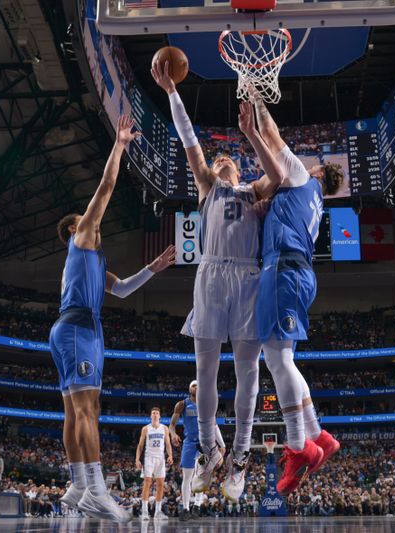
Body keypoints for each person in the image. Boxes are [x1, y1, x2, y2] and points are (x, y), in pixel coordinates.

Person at [151, 62, 285, 499]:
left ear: (239, 165)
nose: (219, 157)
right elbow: (189, 138)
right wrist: (172, 90)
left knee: (248, 370)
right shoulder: (207, 184)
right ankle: (210, 449)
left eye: (228, 156)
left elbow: (280, 175)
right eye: (217, 156)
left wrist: (251, 134)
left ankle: (241, 456)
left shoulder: (254, 191)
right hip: (210, 273)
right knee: (204, 370)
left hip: (247, 276)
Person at [49, 114, 175, 522]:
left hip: (79, 328)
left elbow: (120, 289)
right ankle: (97, 488)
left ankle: (79, 484)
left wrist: (152, 270)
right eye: (81, 218)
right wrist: (119, 145)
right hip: (77, 327)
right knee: (85, 410)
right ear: (74, 229)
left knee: (82, 409)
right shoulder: (82, 236)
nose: (90, 219)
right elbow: (105, 187)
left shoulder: (91, 263)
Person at [242, 95, 344, 496]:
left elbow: (271, 132)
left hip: (284, 271)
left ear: (317, 170)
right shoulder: (309, 199)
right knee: (285, 360)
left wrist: (254, 94)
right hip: (295, 271)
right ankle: (318, 436)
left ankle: (300, 447)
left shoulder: (302, 176)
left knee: (278, 358)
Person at [168, 380, 226, 521]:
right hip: (189, 443)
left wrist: (222, 444)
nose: (196, 387)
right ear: (189, 388)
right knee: (187, 478)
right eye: (194, 385)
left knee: (202, 476)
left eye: (199, 385)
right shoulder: (182, 404)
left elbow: (214, 425)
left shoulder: (207, 405)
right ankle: (186, 508)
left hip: (204, 444)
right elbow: (171, 425)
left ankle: (197, 506)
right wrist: (173, 434)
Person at [135, 407, 173, 521]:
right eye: (153, 413)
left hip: (160, 458)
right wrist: (137, 459)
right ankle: (145, 511)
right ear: (150, 416)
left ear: (160, 416)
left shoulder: (165, 428)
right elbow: (140, 445)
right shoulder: (146, 428)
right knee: (147, 483)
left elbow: (168, 444)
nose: (155, 414)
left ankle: (157, 512)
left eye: (157, 413)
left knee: (160, 484)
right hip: (149, 457)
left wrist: (170, 455)